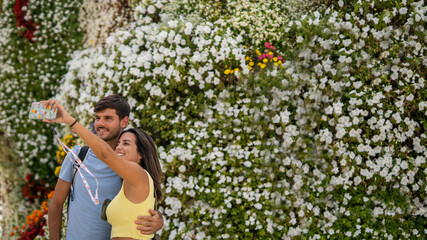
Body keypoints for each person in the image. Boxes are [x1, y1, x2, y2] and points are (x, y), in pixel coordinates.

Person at [46, 95, 163, 240]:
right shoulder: (77, 156)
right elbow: (56, 204)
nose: (100, 123)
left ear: (124, 121)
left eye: (108, 118)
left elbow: (106, 155)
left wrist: (158, 220)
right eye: (97, 118)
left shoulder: (130, 167)